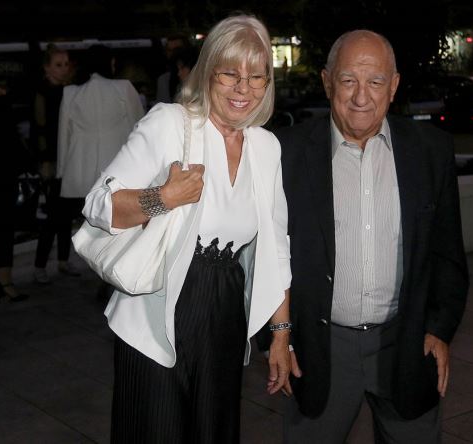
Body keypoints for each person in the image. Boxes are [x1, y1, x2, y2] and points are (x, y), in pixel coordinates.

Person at [82, 14, 292, 443]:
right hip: (156, 308)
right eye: (230, 73)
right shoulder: (170, 124)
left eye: (256, 76)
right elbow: (98, 203)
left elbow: (277, 247)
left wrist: (281, 336)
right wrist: (162, 197)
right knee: (155, 429)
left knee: (213, 430)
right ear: (208, 71)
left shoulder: (266, 147)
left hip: (226, 311)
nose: (243, 88)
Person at [276, 30, 469, 443]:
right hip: (318, 350)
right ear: (327, 82)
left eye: (375, 81)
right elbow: (267, 256)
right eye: (348, 80)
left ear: (394, 86)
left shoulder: (431, 150)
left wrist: (440, 328)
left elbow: (447, 250)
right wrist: (277, 337)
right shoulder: (286, 152)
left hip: (406, 343)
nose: (361, 96)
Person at [57, 44, 144, 265]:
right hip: (118, 168)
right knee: (117, 225)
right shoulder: (123, 88)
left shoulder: (71, 93)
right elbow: (139, 129)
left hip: (80, 167)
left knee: (89, 222)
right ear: (109, 63)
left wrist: (62, 171)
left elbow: (63, 135)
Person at [32, 44, 76, 284]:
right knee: (51, 215)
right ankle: (40, 265)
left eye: (66, 64)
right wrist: (45, 161)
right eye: (58, 65)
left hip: (67, 158)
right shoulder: (42, 91)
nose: (64, 69)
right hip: (52, 159)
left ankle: (62, 260)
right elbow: (39, 128)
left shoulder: (70, 90)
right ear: (47, 67)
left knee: (64, 213)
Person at [0, 86, 29, 302]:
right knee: (4, 227)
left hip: (4, 167)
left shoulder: (3, 98)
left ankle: (4, 281)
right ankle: (2, 282)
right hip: (4, 166)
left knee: (5, 226)